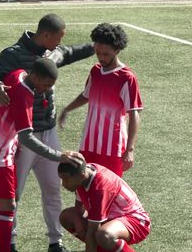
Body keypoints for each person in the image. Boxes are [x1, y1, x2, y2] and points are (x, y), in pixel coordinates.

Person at [0, 13, 94, 252]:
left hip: (48, 131)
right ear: (46, 35)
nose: (61, 43)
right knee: (13, 195)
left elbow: (70, 52)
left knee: (53, 188)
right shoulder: (13, 55)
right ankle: (10, 245)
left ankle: (55, 242)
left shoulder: (52, 52)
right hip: (22, 138)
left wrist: (96, 46)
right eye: (59, 37)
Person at [58, 23, 142, 177]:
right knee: (83, 186)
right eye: (98, 53)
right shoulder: (96, 71)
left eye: (106, 54)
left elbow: (134, 114)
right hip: (89, 143)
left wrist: (130, 149)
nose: (101, 57)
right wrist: (67, 109)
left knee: (108, 188)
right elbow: (86, 95)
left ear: (117, 51)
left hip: (112, 148)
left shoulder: (126, 77)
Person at [58, 160, 150, 252]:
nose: (64, 184)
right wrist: (79, 223)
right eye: (62, 179)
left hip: (136, 221)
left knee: (103, 234)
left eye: (67, 180)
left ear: (82, 176)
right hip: (112, 218)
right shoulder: (84, 173)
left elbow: (92, 233)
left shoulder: (100, 187)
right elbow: (79, 207)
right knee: (67, 217)